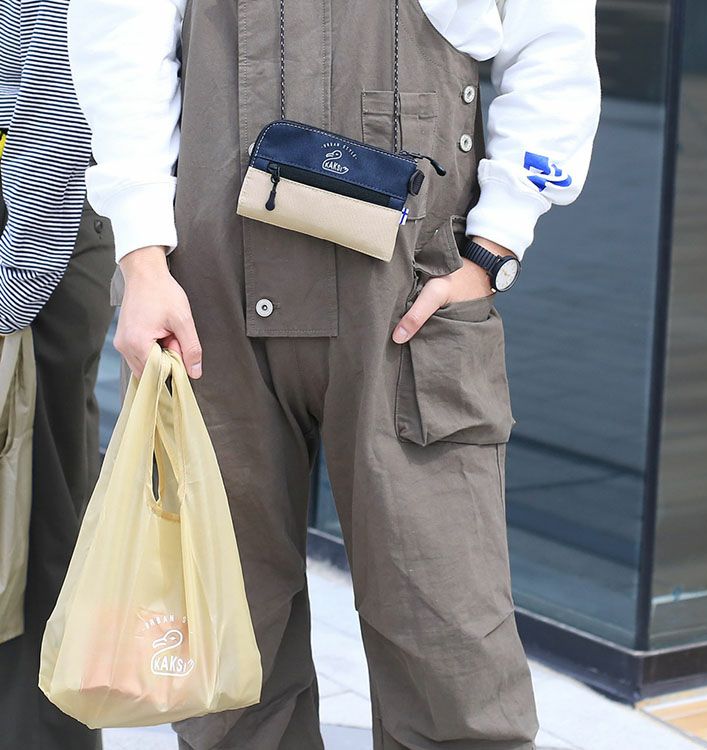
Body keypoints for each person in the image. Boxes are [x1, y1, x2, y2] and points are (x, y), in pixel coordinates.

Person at [68, 0, 601, 747]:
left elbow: (552, 44)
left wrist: (496, 246)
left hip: (410, 295)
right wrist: (143, 260)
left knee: (452, 652)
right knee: (229, 668)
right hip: (208, 293)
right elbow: (121, 38)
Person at [0, 1, 115, 749]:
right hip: (30, 229)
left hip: (33, 226)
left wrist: (12, 290)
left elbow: (54, 98)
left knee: (35, 526)